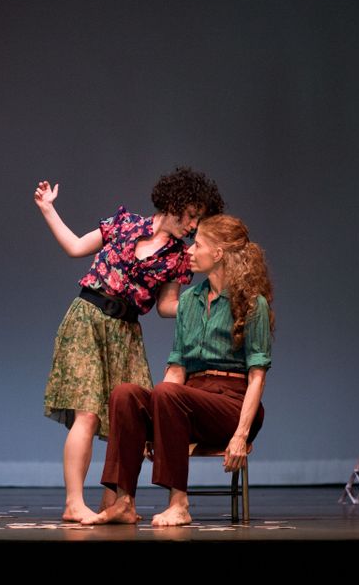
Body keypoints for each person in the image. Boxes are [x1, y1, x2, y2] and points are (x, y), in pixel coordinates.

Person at [33, 168, 225, 522]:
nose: (193, 225)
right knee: (87, 413)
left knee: (125, 418)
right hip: (87, 318)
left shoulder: (178, 257)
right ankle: (74, 502)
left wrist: (207, 298)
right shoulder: (123, 224)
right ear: (174, 203)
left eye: (199, 218)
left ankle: (116, 503)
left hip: (125, 332)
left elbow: (167, 306)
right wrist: (48, 208)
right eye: (192, 214)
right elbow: (76, 247)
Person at [84, 214, 273, 526]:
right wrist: (158, 412)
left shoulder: (251, 304)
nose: (188, 251)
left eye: (197, 245)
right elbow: (176, 369)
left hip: (232, 405)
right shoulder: (190, 302)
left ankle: (178, 503)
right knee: (126, 395)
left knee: (170, 394)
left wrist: (240, 435)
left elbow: (257, 376)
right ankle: (124, 502)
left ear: (218, 253)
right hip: (188, 399)